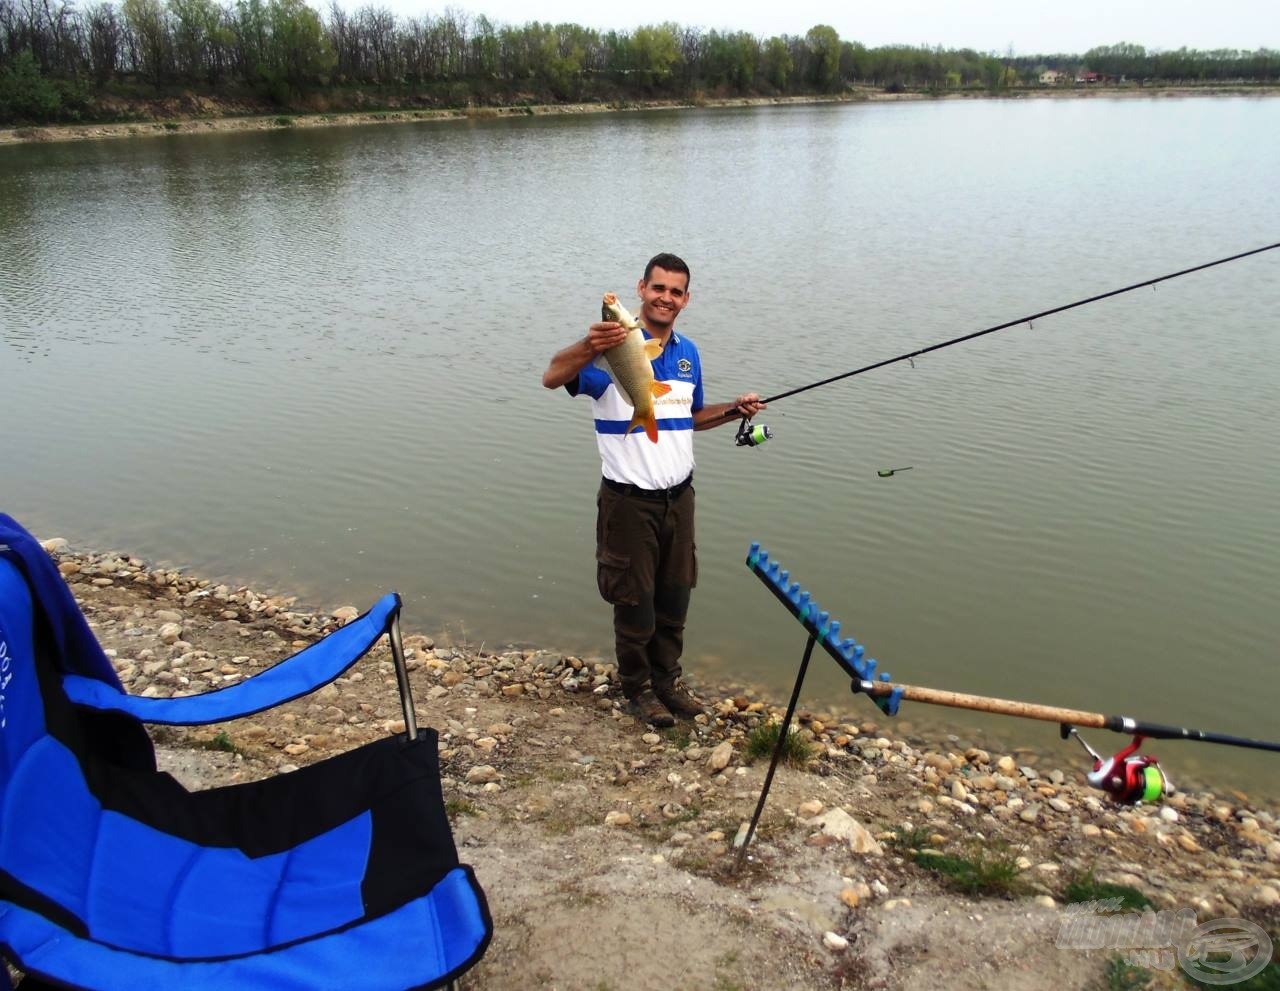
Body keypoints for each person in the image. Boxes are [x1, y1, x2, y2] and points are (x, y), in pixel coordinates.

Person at [541, 253, 766, 728]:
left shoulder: (689, 353)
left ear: (686, 299)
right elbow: (552, 376)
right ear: (641, 289)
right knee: (634, 600)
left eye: (675, 291)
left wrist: (734, 409)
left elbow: (692, 416)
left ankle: (667, 680)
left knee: (675, 595)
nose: (666, 297)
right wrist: (589, 344)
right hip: (628, 502)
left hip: (679, 499)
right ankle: (638, 689)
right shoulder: (611, 351)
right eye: (658, 288)